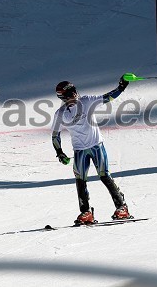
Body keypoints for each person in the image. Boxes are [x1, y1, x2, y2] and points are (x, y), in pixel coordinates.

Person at [51, 75, 131, 225]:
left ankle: (122, 207)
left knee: (104, 176)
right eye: (69, 94)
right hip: (80, 150)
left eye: (74, 91)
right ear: (63, 97)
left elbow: (108, 98)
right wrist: (59, 152)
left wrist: (121, 87)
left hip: (96, 146)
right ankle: (86, 212)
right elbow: (55, 135)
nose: (74, 95)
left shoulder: (87, 101)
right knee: (80, 180)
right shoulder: (60, 114)